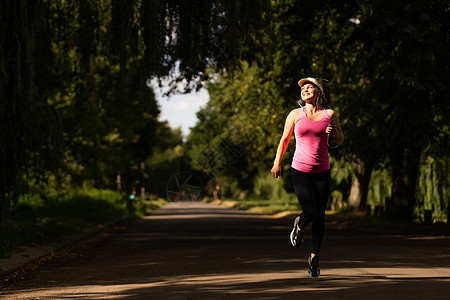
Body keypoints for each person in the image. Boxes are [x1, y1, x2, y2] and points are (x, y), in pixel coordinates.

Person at [271, 77, 344, 277]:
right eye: (303, 88)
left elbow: (340, 140)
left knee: (320, 217)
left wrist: (334, 130)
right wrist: (277, 162)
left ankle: (314, 257)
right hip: (300, 170)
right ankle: (300, 224)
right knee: (310, 212)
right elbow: (284, 139)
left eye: (310, 87)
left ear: (319, 92)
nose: (305, 89)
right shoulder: (295, 114)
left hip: (322, 171)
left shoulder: (329, 114)